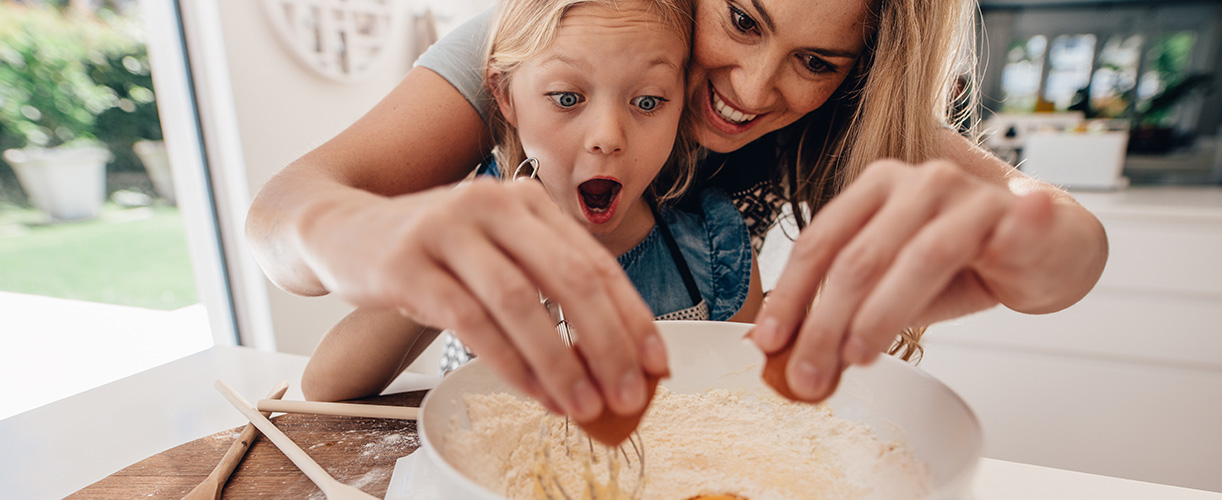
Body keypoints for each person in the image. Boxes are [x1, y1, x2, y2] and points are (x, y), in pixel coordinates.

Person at [246, 0, 1108, 423]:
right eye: (739, 19)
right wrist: (376, 241)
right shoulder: (546, 40)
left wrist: (1038, 242)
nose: (754, 88)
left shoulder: (836, 114)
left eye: (813, 60)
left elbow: (1061, 243)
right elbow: (282, 219)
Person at [299, 0, 762, 403]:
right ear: (505, 95)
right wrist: (443, 261)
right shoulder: (473, 230)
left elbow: (748, 399)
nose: (607, 137)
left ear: (682, 100)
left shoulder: (714, 247)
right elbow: (326, 387)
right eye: (567, 98)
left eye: (646, 102)